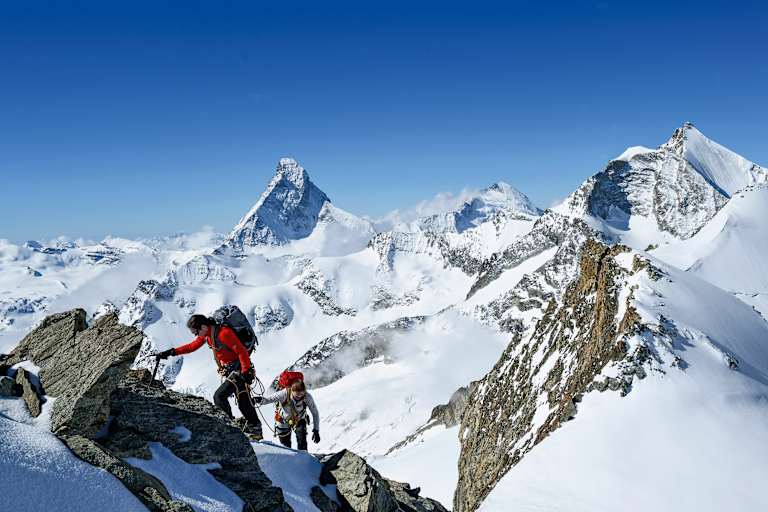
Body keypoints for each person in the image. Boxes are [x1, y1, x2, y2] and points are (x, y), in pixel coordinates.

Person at [156, 314, 263, 440]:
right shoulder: (208, 335)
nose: (197, 335)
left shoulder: (224, 333)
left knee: (220, 396)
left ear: (203, 326)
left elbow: (241, 351)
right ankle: (255, 429)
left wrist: (245, 372)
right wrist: (171, 352)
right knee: (243, 399)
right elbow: (192, 346)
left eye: (196, 332)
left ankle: (230, 429)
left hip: (240, 370)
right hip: (234, 370)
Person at [257, 380, 320, 450]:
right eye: (296, 395)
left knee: (302, 441)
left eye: (301, 395)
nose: (299, 397)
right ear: (291, 391)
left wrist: (316, 430)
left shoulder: (307, 397)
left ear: (304, 392)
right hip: (282, 419)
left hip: (299, 419)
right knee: (285, 446)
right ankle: (290, 458)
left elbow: (315, 413)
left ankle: (303, 457)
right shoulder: (284, 393)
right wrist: (260, 400)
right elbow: (270, 399)